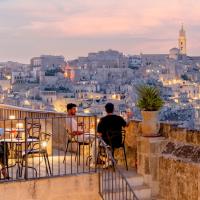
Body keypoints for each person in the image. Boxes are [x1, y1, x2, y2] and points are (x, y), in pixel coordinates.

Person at [96, 103, 126, 167]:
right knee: (106, 143)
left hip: (108, 142)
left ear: (105, 110)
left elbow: (99, 134)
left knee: (96, 142)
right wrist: (128, 117)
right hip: (118, 142)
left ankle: (96, 161)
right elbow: (126, 124)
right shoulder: (119, 118)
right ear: (113, 109)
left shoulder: (102, 120)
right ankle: (109, 160)